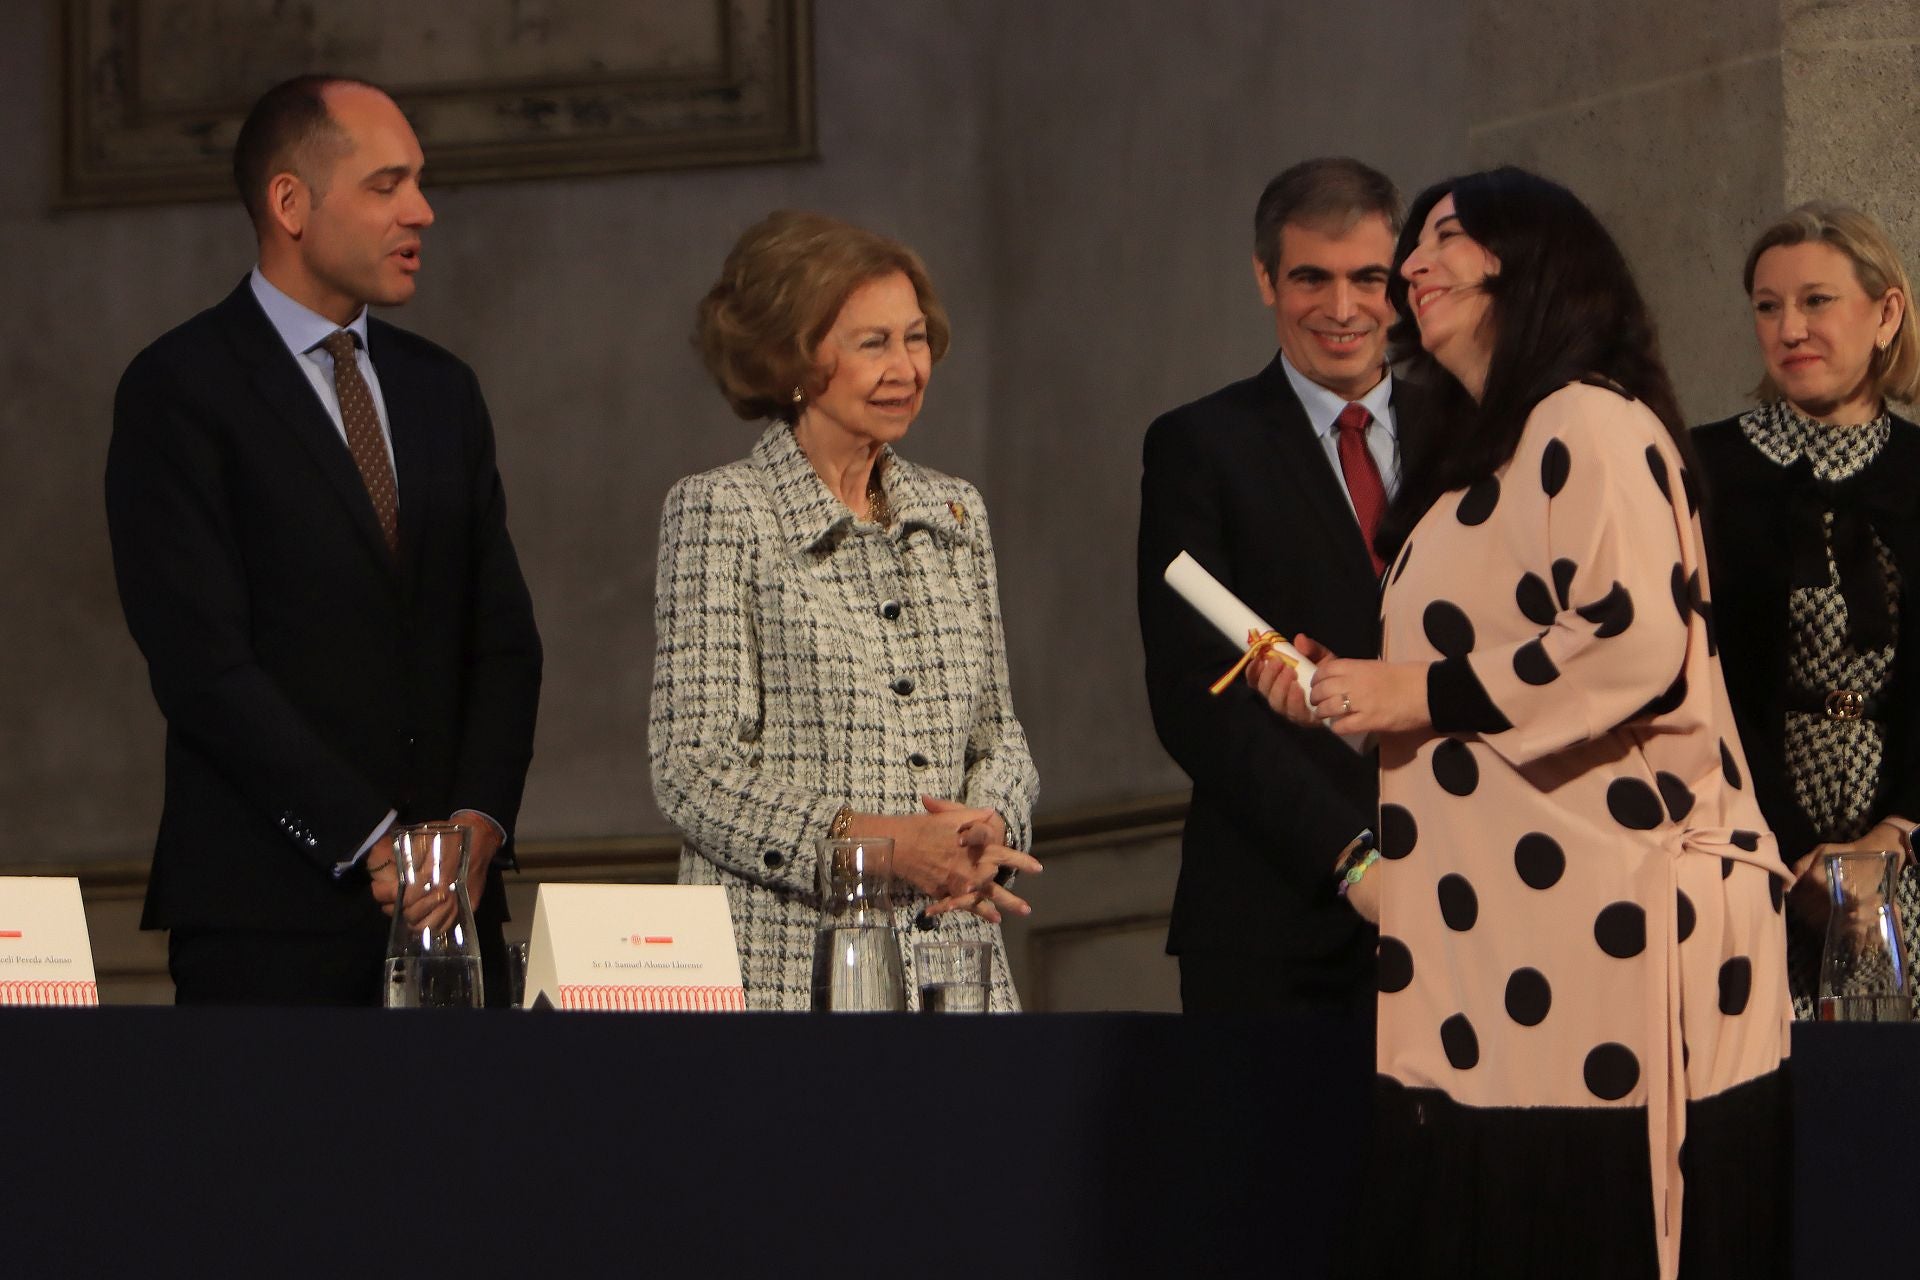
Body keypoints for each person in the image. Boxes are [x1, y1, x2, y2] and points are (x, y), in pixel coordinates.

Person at [1252, 168, 1790, 1279]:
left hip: (1609, 939)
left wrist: (1412, 691)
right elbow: (1482, 694)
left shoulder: (1590, 419)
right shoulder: (1472, 457)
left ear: (1531, 260)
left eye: (1445, 238)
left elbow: (1635, 643)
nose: (1412, 265)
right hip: (1487, 957)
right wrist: (1348, 694)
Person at [105, 76, 543, 1006]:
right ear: (290, 203)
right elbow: (201, 664)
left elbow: (502, 642)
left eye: (419, 182)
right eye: (387, 185)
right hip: (267, 919)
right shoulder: (180, 388)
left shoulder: (442, 391)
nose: (421, 210)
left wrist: (474, 828)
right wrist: (375, 840)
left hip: (452, 917)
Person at [650, 210, 1041, 1011]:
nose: (908, 366)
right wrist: (883, 846)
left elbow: (999, 732)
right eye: (874, 344)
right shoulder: (723, 512)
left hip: (957, 966)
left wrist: (987, 827)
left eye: (916, 338)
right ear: (789, 359)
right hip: (793, 971)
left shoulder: (954, 514)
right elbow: (694, 770)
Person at [1137, 157, 1416, 1014]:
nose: (1342, 309)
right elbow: (1195, 699)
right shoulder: (1199, 445)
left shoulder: (1476, 434)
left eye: (1368, 278)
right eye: (1311, 279)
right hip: (1275, 926)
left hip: (1471, 904)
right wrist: (1352, 861)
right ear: (1265, 278)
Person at [1694, 202, 1920, 1019]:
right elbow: (1697, 676)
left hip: (1904, 845)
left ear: (1886, 312)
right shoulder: (1702, 468)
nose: (1790, 327)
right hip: (1742, 846)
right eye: (1767, 305)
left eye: (1817, 301)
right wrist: (1783, 850)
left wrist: (1889, 840)